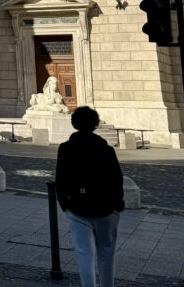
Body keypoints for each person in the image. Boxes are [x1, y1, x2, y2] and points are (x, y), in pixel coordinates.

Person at [55, 106, 125, 287]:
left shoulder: (65, 148)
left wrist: (65, 204)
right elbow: (117, 179)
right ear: (95, 124)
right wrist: (117, 205)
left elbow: (61, 178)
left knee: (84, 254)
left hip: (77, 208)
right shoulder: (107, 150)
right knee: (107, 254)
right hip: (107, 209)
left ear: (74, 124)